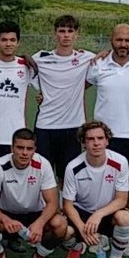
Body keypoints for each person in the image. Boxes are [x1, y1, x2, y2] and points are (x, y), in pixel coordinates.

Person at [86, 23, 129, 256]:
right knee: (101, 189)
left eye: (127, 40)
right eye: (119, 40)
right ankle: (102, 235)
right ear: (111, 40)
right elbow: (75, 86)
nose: (123, 44)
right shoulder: (98, 65)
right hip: (104, 138)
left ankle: (127, 237)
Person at [0, 128, 68, 258]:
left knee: (60, 224)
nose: (24, 153)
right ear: (12, 148)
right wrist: (6, 220)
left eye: (29, 149)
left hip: (35, 214)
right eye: (20, 148)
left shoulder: (43, 164)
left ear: (34, 150)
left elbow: (52, 202)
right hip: (7, 215)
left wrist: (40, 223)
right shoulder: (0, 165)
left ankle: (40, 255)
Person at [61, 120, 129, 258]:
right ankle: (77, 247)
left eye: (100, 138)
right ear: (83, 142)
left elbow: (122, 200)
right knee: (64, 231)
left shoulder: (120, 162)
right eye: (90, 139)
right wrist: (82, 228)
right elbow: (67, 205)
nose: (96, 143)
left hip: (106, 212)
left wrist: (99, 214)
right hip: (82, 212)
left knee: (125, 217)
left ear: (107, 141)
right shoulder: (73, 167)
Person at [32, 14, 95, 182]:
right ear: (55, 34)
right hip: (45, 126)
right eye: (62, 31)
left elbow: (105, 59)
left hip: (72, 127)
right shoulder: (40, 58)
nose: (66, 35)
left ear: (77, 34)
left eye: (70, 31)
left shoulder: (86, 58)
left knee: (67, 177)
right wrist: (42, 93)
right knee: (41, 175)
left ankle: (63, 201)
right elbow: (24, 69)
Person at [0, 20, 37, 179]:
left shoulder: (26, 66)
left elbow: (46, 88)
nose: (8, 44)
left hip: (17, 138)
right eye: (4, 40)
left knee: (15, 182)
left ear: (18, 42)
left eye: (12, 40)